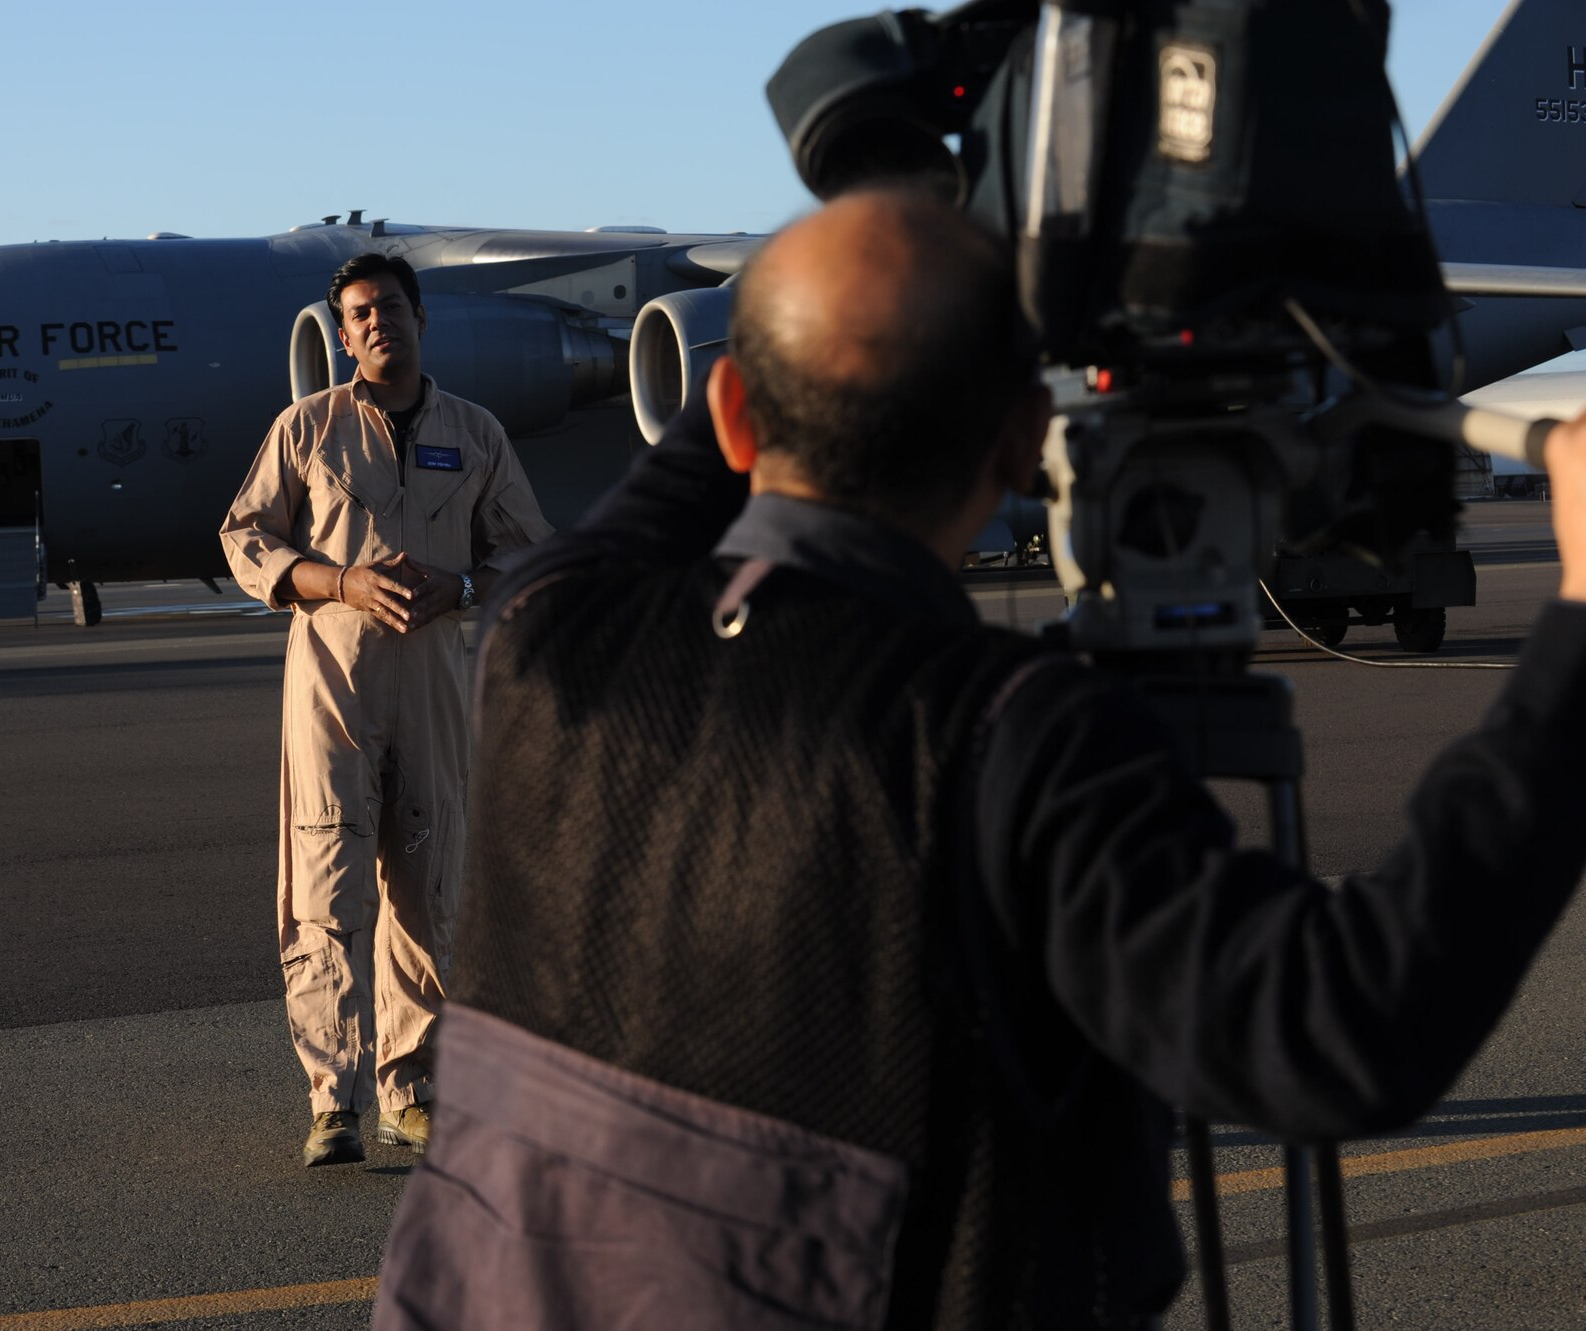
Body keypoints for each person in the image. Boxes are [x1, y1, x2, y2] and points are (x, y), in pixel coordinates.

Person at [371, 187, 1586, 1327]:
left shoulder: (540, 633)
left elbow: (686, 467)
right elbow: (1346, 1022)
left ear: (738, 411)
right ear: (1021, 442)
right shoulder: (1004, 741)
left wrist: (881, 209)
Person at [219, 252, 552, 1168]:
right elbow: (245, 536)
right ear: (342, 331)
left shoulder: (475, 434)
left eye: (391, 308)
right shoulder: (308, 430)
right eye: (359, 313)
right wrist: (339, 581)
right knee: (326, 889)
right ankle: (335, 1101)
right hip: (332, 689)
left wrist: (468, 583)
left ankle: (415, 1090)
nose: (376, 324)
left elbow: (531, 552)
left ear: (419, 319)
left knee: (430, 887)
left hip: (435, 684)